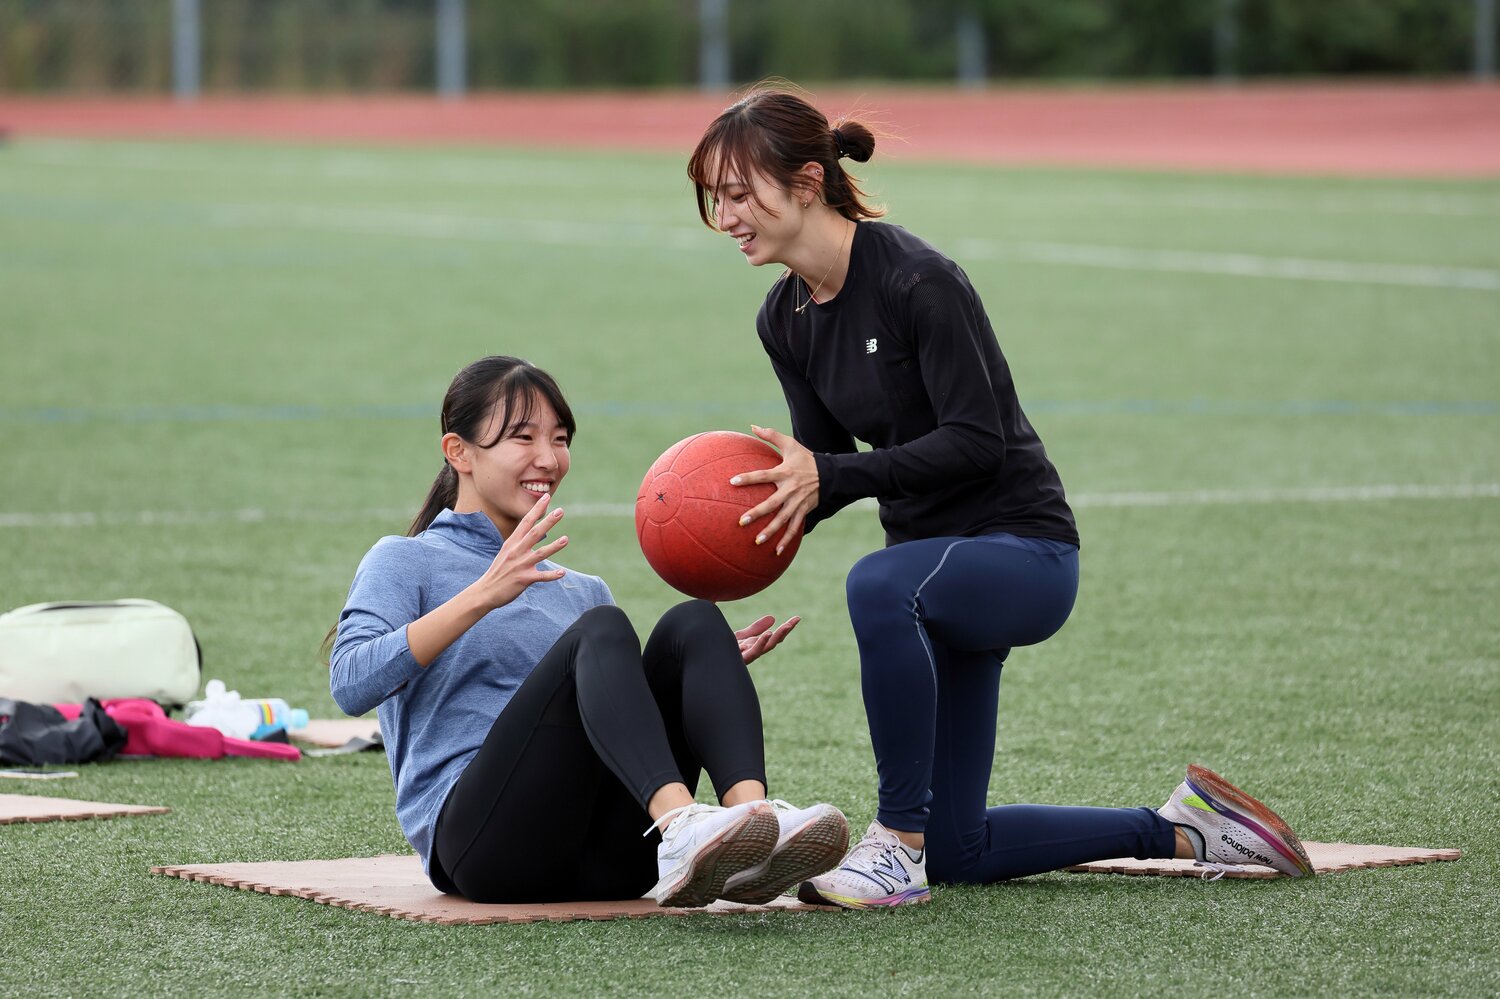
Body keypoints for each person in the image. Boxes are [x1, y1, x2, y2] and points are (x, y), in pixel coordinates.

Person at [685, 86, 1314, 908]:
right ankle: (1185, 826)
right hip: (935, 580)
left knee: (875, 584)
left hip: (1025, 553)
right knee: (964, 848)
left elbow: (975, 440)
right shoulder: (785, 316)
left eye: (740, 193)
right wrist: (748, 509)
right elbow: (826, 461)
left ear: (806, 182)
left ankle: (894, 845)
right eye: (715, 199)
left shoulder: (918, 280)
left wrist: (829, 478)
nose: (726, 215)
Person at [329, 355, 849, 907]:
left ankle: (754, 829)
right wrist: (483, 594)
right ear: (459, 452)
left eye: (559, 438)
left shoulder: (581, 587)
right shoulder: (406, 561)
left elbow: (595, 726)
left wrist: (698, 675)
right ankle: (679, 824)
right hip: (486, 853)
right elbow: (350, 683)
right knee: (602, 629)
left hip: (613, 859)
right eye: (522, 438)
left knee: (695, 623)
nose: (548, 459)